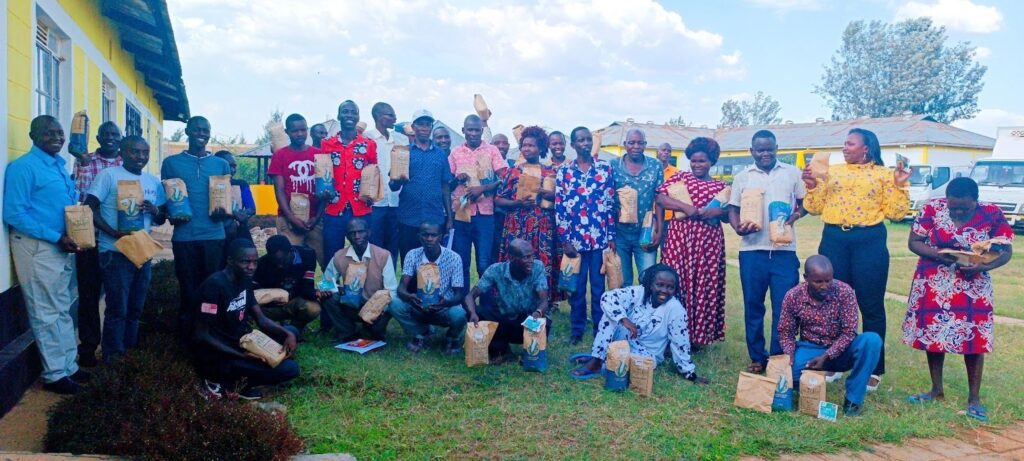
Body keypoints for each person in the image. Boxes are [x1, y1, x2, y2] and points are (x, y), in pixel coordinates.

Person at [802, 128, 910, 391]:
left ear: (866, 148)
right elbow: (813, 208)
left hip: (869, 241)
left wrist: (899, 184)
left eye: (850, 144)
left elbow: (897, 213)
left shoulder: (885, 175)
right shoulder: (832, 171)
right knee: (832, 302)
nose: (844, 147)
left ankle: (874, 368)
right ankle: (834, 362)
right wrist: (813, 185)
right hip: (834, 239)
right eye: (844, 143)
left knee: (871, 306)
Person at [902, 178, 1014, 422]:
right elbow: (914, 242)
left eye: (964, 208)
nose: (958, 212)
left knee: (973, 338)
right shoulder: (932, 208)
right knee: (933, 334)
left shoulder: (992, 213)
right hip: (934, 280)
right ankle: (936, 390)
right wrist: (942, 256)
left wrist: (985, 265)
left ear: (976, 200)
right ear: (947, 200)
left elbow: (1006, 251)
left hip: (973, 283)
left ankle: (974, 398)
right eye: (953, 208)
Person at [4, 116, 87, 394]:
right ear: (32, 136)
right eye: (48, 132)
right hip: (38, 247)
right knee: (46, 312)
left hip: (60, 247)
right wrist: (56, 237)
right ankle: (55, 375)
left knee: (62, 309)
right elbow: (14, 213)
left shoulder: (59, 166)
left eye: (59, 132)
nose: (56, 137)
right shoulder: (24, 168)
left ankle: (69, 366)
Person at [728, 130, 805, 373]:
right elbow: (732, 209)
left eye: (769, 149)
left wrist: (795, 216)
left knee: (784, 306)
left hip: (784, 250)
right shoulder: (743, 177)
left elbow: (804, 205)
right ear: (751, 151)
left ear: (776, 148)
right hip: (752, 250)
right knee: (753, 305)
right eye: (760, 149)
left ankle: (778, 356)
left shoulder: (792, 173)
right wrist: (738, 228)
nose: (765, 153)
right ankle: (757, 357)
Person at [85, 135, 166, 363]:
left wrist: (154, 211)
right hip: (115, 252)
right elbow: (89, 208)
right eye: (134, 151)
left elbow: (161, 219)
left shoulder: (152, 182)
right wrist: (111, 232)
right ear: (122, 151)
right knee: (117, 310)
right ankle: (112, 359)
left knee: (136, 308)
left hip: (142, 253)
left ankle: (129, 356)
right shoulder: (108, 176)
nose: (140, 157)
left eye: (144, 152)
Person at [194, 239, 299, 401]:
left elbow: (261, 319)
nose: (251, 267)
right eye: (245, 262)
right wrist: (242, 355)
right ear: (230, 260)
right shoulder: (214, 286)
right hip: (221, 353)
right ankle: (234, 384)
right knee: (290, 369)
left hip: (243, 341)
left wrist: (287, 334)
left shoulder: (244, 279)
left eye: (255, 262)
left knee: (292, 332)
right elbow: (202, 335)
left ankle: (246, 375)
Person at [778, 255, 882, 417]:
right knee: (788, 377)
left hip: (842, 350)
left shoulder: (845, 292)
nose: (824, 286)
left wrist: (827, 356)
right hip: (810, 350)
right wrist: (789, 356)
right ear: (806, 278)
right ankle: (806, 385)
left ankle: (853, 400)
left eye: (828, 280)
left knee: (872, 341)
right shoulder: (793, 296)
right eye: (818, 282)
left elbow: (849, 332)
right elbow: (786, 331)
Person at [570, 265, 707, 384]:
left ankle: (604, 361)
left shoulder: (675, 309)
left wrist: (691, 375)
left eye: (670, 287)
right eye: (659, 285)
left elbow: (680, 343)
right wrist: (624, 319)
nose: (664, 290)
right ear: (650, 284)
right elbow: (608, 297)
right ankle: (596, 361)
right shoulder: (639, 292)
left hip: (645, 354)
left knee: (635, 367)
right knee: (610, 315)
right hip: (624, 339)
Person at [160, 116, 232, 341]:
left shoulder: (220, 164)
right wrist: (168, 214)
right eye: (197, 129)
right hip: (184, 237)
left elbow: (226, 202)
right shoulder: (171, 163)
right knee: (188, 290)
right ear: (187, 132)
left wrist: (225, 211)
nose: (201, 133)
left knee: (212, 289)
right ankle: (187, 339)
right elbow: (168, 200)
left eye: (206, 130)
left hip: (214, 236)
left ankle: (211, 335)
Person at [655, 137, 726, 348]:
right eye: (693, 161)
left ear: (711, 161)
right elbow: (660, 198)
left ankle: (697, 337)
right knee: (676, 283)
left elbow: (728, 212)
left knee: (703, 285)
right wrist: (686, 208)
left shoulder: (720, 186)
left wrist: (717, 211)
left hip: (708, 244)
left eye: (702, 161)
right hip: (679, 240)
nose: (697, 165)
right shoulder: (681, 178)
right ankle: (668, 334)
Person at [555, 126, 616, 345]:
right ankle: (577, 329)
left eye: (588, 139)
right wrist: (565, 240)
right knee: (577, 289)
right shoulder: (565, 171)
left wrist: (611, 236)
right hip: (576, 243)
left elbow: (610, 204)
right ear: (573, 145)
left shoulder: (604, 169)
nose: (585, 143)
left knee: (599, 288)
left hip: (599, 240)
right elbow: (560, 207)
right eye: (580, 140)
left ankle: (600, 328)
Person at [70, 120, 123, 367]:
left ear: (121, 138)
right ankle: (89, 350)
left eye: (115, 134)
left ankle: (115, 351)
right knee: (89, 297)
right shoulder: (85, 160)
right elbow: (81, 196)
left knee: (116, 297)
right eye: (106, 133)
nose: (111, 137)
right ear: (99, 137)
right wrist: (81, 163)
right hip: (89, 239)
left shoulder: (128, 162)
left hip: (118, 243)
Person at [494, 126, 561, 303]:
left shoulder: (550, 172)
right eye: (524, 145)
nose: (526, 149)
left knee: (540, 264)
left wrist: (549, 195)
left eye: (531, 145)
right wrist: (517, 203)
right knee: (516, 263)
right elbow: (498, 200)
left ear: (540, 148)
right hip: (517, 226)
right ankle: (513, 301)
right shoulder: (513, 171)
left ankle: (541, 304)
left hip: (542, 227)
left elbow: (561, 202)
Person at [464, 239, 550, 363]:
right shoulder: (496, 270)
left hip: (527, 321)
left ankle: (530, 353)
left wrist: (537, 313)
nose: (531, 260)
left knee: (545, 324)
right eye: (526, 257)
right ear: (512, 258)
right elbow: (470, 296)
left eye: (532, 256)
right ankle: (500, 350)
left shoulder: (537, 267)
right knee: (480, 312)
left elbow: (544, 301)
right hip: (503, 320)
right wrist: (472, 313)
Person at [319, 100, 378, 278]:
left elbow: (373, 173)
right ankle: (332, 291)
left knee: (362, 252)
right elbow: (322, 173)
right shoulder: (327, 144)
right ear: (339, 116)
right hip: (334, 207)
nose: (349, 115)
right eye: (345, 112)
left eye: (353, 112)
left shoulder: (369, 144)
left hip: (360, 207)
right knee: (332, 252)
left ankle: (362, 291)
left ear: (358, 116)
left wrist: (372, 194)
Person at [449, 114, 507, 287]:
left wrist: (483, 188)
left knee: (484, 263)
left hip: (485, 215)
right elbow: (447, 184)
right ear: (463, 131)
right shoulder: (455, 153)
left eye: (477, 130)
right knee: (462, 262)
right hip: (462, 215)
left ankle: (486, 307)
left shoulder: (492, 151)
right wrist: (457, 179)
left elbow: (503, 178)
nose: (473, 133)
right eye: (470, 130)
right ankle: (464, 306)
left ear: (482, 131)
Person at [390, 222, 466, 354]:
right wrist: (410, 297)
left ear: (441, 237)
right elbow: (401, 287)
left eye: (433, 235)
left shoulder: (454, 258)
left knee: (459, 314)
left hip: (443, 306)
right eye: (425, 235)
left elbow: (459, 295)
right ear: (419, 237)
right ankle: (421, 333)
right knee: (394, 303)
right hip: (419, 304)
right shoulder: (412, 255)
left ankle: (452, 337)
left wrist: (446, 303)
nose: (429, 239)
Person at [319, 218, 397, 342]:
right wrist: (335, 287)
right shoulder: (339, 255)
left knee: (375, 334)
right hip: (350, 305)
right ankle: (347, 331)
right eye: (352, 233)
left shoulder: (383, 255)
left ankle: (370, 328)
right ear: (347, 236)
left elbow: (391, 290)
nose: (357, 236)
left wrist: (379, 308)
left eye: (361, 232)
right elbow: (324, 283)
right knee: (328, 297)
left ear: (369, 233)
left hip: (375, 307)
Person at [391, 110, 453, 262]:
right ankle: (408, 287)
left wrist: (449, 218)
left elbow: (445, 187)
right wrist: (398, 180)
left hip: (434, 218)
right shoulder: (403, 153)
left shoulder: (440, 155)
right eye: (421, 124)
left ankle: (429, 287)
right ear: (413, 127)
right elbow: (393, 186)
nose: (425, 128)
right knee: (409, 260)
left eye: (428, 124)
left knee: (432, 262)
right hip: (408, 217)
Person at [268, 113, 325, 267]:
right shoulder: (280, 155)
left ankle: (330, 290)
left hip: (315, 219)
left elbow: (324, 189)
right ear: (287, 132)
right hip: (288, 220)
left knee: (326, 262)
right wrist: (291, 218)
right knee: (290, 263)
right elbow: (279, 190)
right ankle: (292, 291)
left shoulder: (318, 154)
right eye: (295, 131)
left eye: (303, 130)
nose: (300, 134)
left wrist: (317, 217)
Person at [610, 128, 662, 285]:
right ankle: (626, 310)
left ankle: (646, 310)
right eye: (631, 142)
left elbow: (660, 198)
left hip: (645, 232)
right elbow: (606, 196)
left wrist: (658, 230)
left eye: (640, 143)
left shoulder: (655, 166)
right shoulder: (612, 166)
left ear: (645, 145)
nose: (636, 146)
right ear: (625, 144)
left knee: (648, 278)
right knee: (623, 282)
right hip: (619, 233)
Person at [253, 235, 322, 336]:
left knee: (313, 308)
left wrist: (317, 293)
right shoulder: (262, 263)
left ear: (290, 251)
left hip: (293, 301)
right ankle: (273, 328)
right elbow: (253, 292)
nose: (279, 265)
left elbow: (307, 286)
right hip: (270, 306)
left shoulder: (307, 255)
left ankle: (295, 329)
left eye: (282, 261)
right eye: (275, 262)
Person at [364, 102, 406, 266]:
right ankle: (374, 285)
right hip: (374, 202)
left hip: (395, 201)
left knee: (392, 247)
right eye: (390, 115)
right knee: (374, 246)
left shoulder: (399, 139)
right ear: (378, 117)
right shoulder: (366, 138)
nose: (394, 118)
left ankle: (390, 285)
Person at [214, 150, 256, 247]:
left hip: (239, 231)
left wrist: (244, 215)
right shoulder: (212, 184)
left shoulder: (241, 184)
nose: (233, 170)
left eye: (234, 166)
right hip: (216, 232)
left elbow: (252, 208)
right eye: (229, 166)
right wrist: (234, 214)